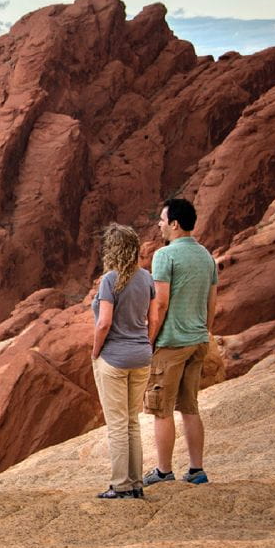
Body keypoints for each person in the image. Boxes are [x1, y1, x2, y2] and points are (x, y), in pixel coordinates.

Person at [144, 198, 218, 486]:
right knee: (190, 407)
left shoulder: (165, 256)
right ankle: (197, 470)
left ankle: (163, 471)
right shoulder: (206, 256)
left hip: (172, 342)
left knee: (161, 409)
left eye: (162, 220)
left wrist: (150, 341)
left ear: (175, 224)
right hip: (198, 340)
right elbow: (212, 302)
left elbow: (160, 304)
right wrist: (204, 334)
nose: (159, 225)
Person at [91, 224, 156, 499]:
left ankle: (120, 484)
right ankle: (136, 483)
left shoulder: (110, 280)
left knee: (117, 424)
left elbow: (104, 321)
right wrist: (146, 343)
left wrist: (95, 351)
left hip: (114, 358)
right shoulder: (147, 279)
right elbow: (153, 319)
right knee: (132, 422)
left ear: (112, 249)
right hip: (141, 356)